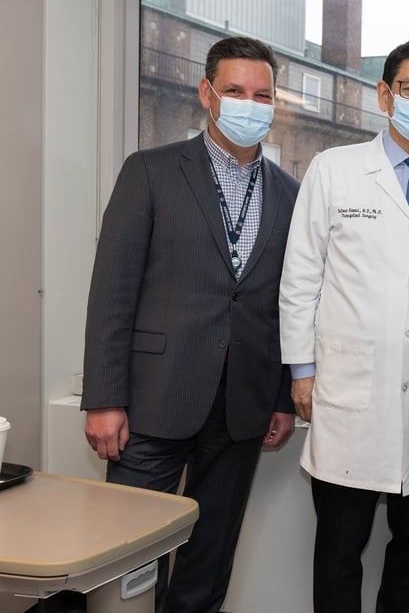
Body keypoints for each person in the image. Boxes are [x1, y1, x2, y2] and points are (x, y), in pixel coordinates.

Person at [81, 36, 299, 612]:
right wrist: (103, 399)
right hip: (152, 400)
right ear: (207, 94)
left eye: (262, 94)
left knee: (209, 558)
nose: (249, 103)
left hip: (243, 406)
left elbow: (289, 303)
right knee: (127, 555)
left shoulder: (291, 194)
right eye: (235, 90)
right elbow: (112, 291)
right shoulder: (150, 171)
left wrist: (280, 395)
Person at [279, 37, 409, 613]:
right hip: (348, 393)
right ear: (385, 94)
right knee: (340, 551)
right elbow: (301, 278)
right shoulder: (334, 170)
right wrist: (301, 369)